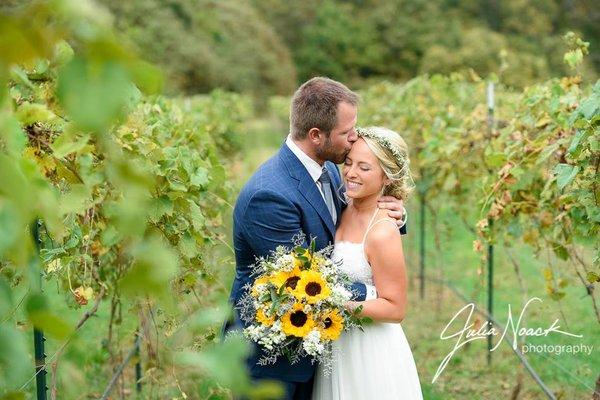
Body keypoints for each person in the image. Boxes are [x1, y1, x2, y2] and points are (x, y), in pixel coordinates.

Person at [225, 77, 406, 400]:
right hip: (274, 360)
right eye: (346, 132)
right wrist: (378, 294)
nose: (353, 139)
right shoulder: (270, 195)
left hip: (321, 347)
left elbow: (357, 222)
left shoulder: (332, 169)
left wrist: (392, 217)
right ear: (316, 136)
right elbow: (304, 283)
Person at [312, 126, 423, 400]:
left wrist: (336, 307)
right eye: (348, 163)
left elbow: (396, 307)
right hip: (335, 345)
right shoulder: (340, 204)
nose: (350, 173)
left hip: (368, 348)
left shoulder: (384, 230)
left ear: (386, 177)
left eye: (364, 168)